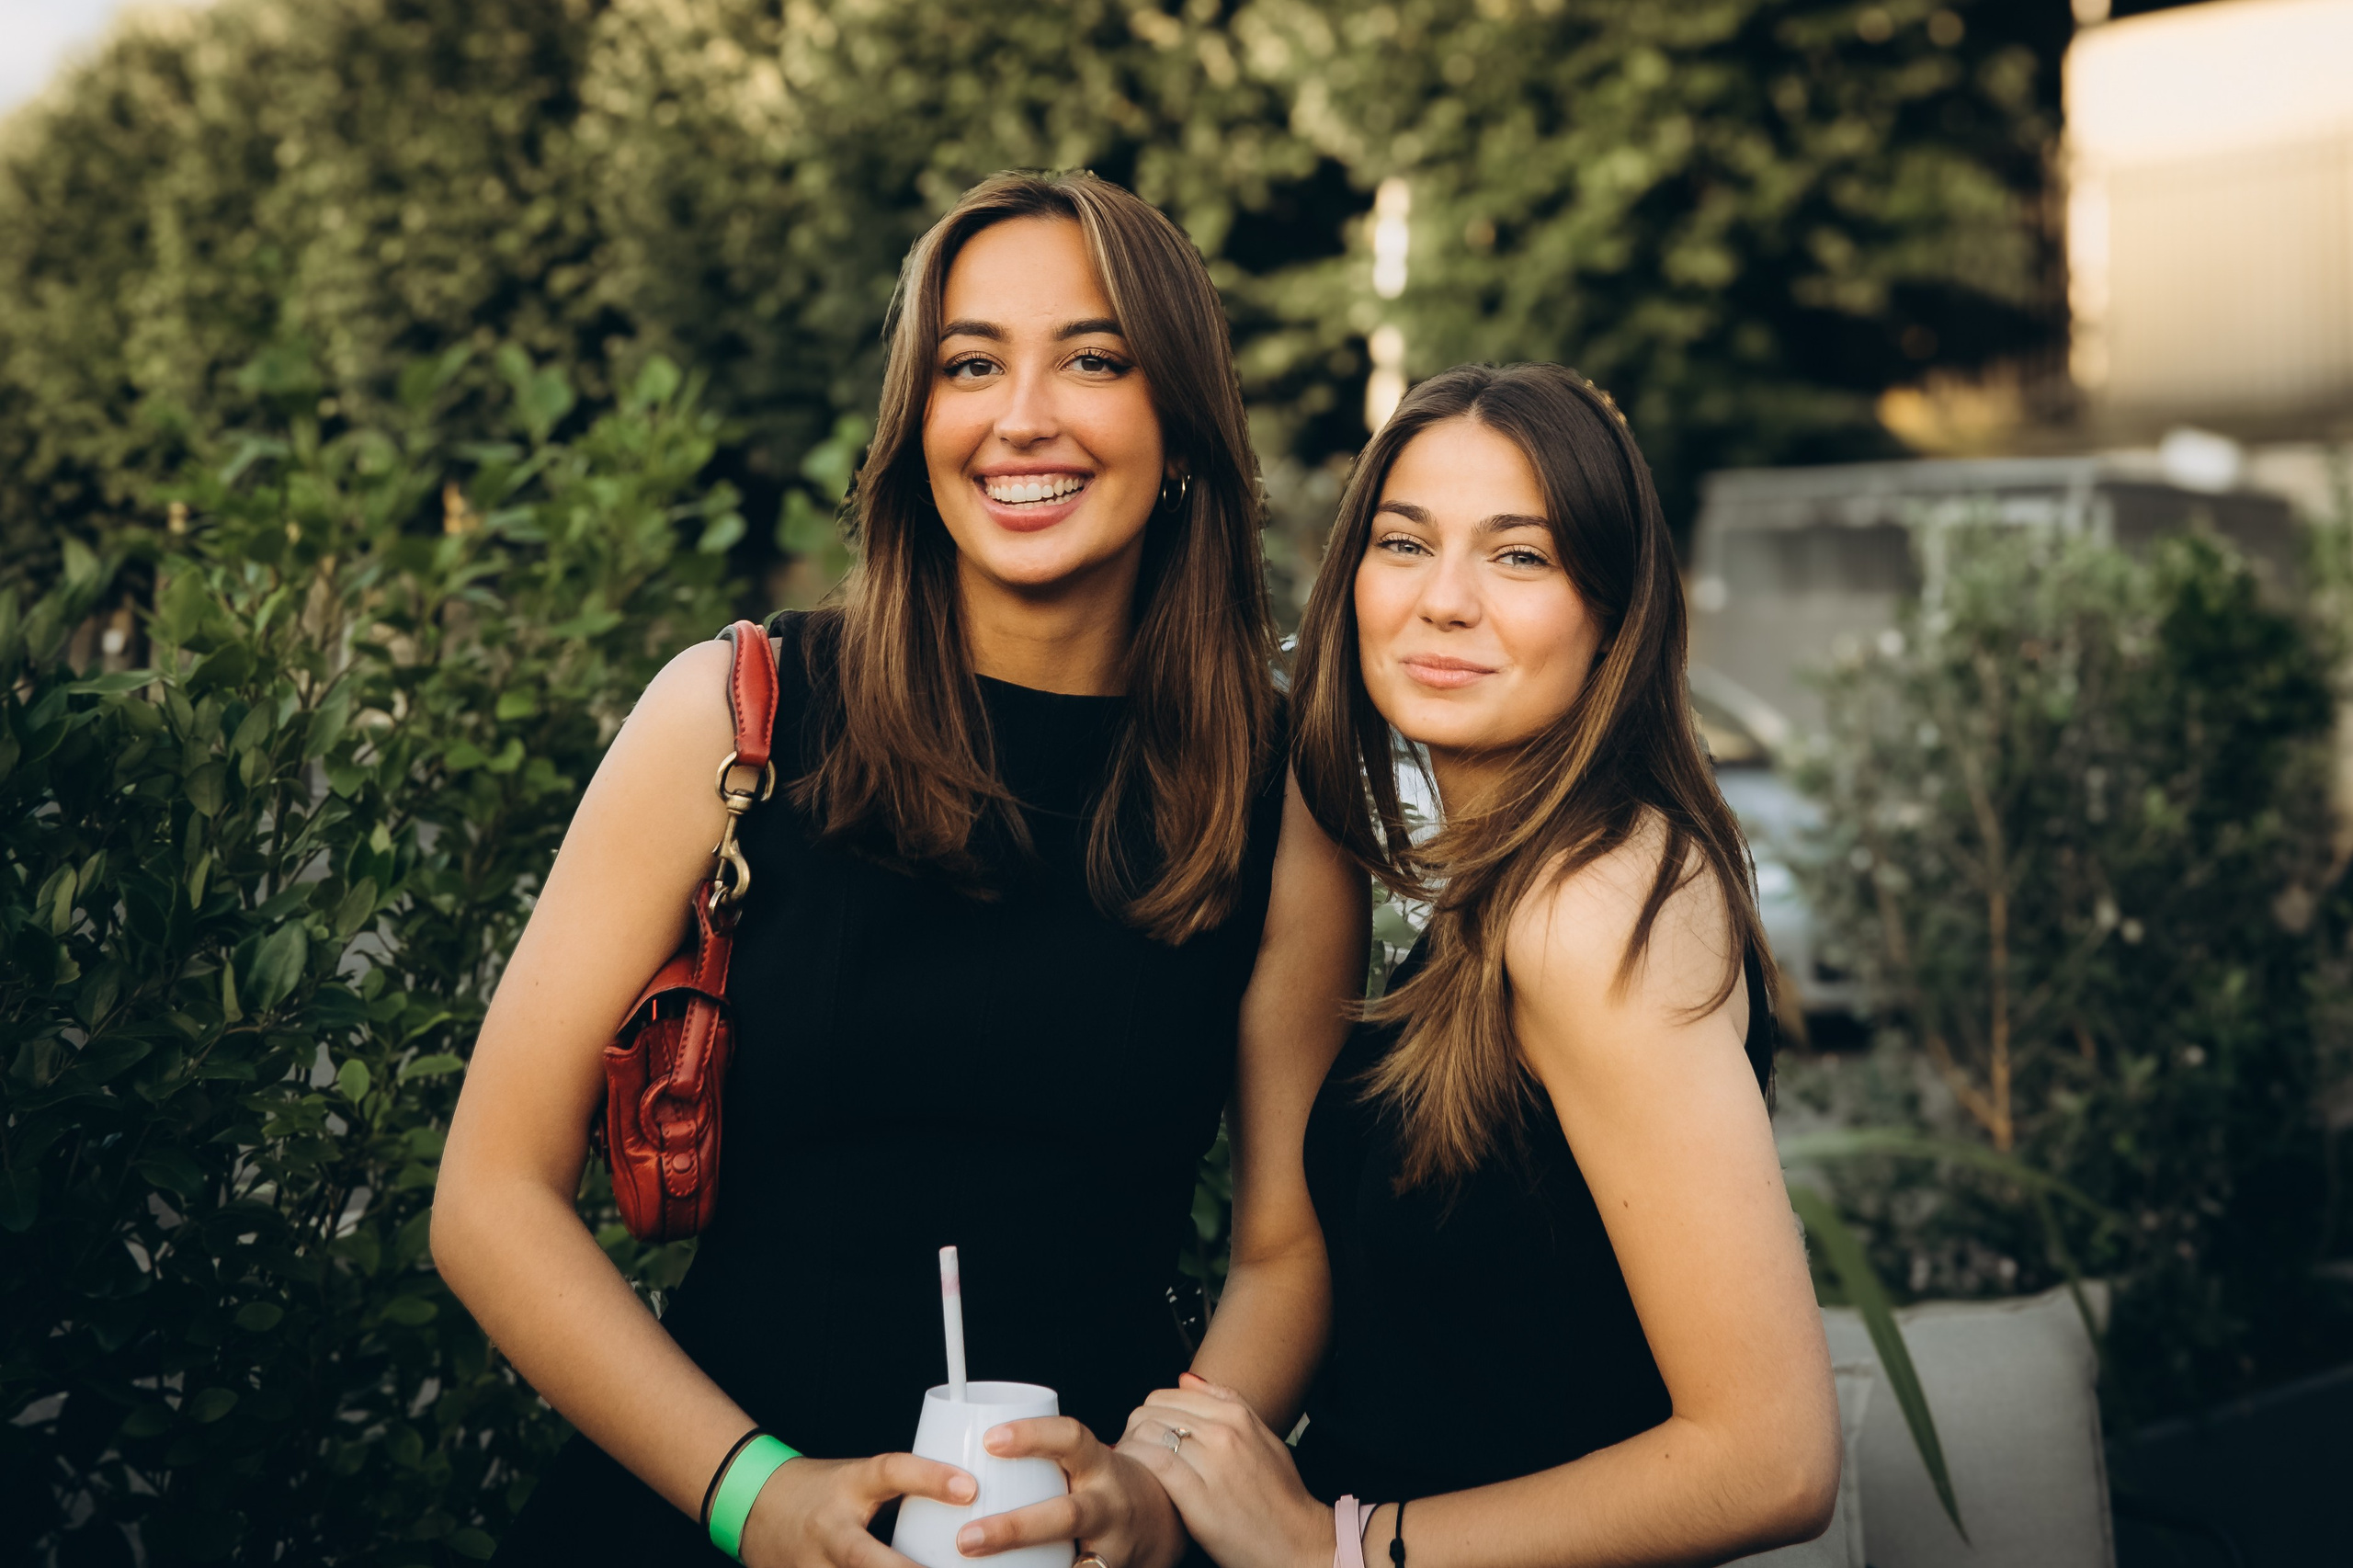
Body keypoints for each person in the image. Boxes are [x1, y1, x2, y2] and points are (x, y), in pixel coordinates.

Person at [433, 171, 1367, 1568]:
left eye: (1094, 359)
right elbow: (490, 1194)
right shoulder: (736, 713)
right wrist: (753, 1493)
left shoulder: (1273, 789)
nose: (1022, 413)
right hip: (688, 1520)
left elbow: (1287, 1253)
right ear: (916, 426)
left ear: (1179, 428)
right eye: (969, 363)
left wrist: (1157, 1494)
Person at [1115, 364, 1843, 1568]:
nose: (1443, 600)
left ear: (1612, 609)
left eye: (1519, 556)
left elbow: (1773, 1455)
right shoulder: (1523, 881)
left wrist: (1338, 1547)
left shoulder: (1587, 902)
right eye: (1404, 543)